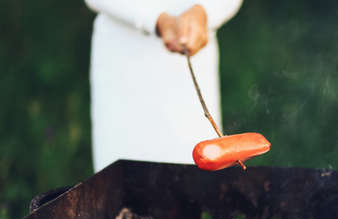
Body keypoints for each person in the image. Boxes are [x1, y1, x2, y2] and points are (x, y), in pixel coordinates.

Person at [84, 0, 243, 172]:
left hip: (195, 57)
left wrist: (205, 11)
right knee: (120, 182)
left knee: (197, 181)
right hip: (122, 67)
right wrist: (156, 20)